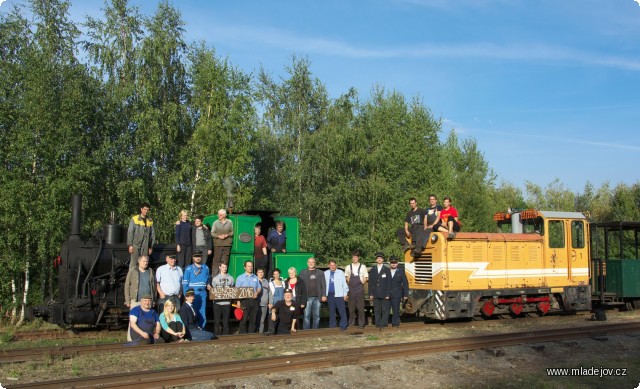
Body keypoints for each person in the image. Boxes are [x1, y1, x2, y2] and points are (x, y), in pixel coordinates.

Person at [182, 251, 211, 329]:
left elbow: (208, 279)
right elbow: (185, 283)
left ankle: (202, 330)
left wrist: (208, 284)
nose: (198, 258)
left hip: (202, 293)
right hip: (193, 294)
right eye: (196, 256)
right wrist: (186, 295)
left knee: (202, 313)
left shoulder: (205, 267)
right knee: (193, 313)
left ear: (201, 257)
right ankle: (194, 330)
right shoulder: (189, 268)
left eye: (199, 256)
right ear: (193, 258)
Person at [299, 257, 326, 330]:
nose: (311, 263)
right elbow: (300, 286)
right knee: (306, 315)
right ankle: (306, 331)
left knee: (316, 316)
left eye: (312, 262)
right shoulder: (303, 272)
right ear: (307, 263)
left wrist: (323, 295)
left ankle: (315, 330)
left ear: (315, 263)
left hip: (317, 297)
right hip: (307, 297)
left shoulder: (320, 273)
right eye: (309, 262)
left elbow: (323, 285)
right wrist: (301, 296)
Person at [235, 260, 262, 334]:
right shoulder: (240, 278)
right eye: (248, 266)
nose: (250, 267)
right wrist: (238, 301)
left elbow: (259, 287)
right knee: (244, 319)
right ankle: (243, 335)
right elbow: (237, 291)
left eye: (251, 266)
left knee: (253, 319)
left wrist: (257, 292)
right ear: (245, 267)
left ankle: (251, 334)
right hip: (244, 300)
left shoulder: (256, 278)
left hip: (254, 300)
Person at [127, 203, 155, 270]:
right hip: (135, 245)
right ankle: (131, 279)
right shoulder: (134, 219)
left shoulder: (150, 220)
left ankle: (142, 279)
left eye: (147, 210)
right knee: (134, 263)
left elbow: (152, 234)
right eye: (145, 209)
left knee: (144, 263)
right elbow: (130, 232)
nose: (146, 211)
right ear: (141, 209)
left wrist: (150, 246)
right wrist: (130, 245)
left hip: (145, 246)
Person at [344, 250, 368, 329]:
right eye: (353, 257)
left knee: (360, 308)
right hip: (351, 290)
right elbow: (347, 277)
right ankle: (351, 324)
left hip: (360, 289)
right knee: (351, 308)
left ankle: (361, 324)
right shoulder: (348, 267)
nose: (354, 258)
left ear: (358, 258)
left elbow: (366, 277)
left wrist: (362, 282)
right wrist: (350, 282)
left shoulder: (363, 267)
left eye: (356, 257)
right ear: (352, 258)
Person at [369, 252, 391, 328]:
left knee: (385, 310)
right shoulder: (372, 270)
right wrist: (370, 294)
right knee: (377, 310)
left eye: (380, 258)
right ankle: (378, 324)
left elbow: (389, 283)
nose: (379, 259)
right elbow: (370, 283)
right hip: (375, 293)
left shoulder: (387, 270)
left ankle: (384, 323)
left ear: (383, 260)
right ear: (376, 259)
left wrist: (388, 294)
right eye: (378, 258)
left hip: (384, 293)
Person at [210, 262, 234, 335]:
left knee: (225, 321)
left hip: (226, 303)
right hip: (217, 303)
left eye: (225, 267)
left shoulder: (231, 278)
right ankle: (216, 335)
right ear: (220, 267)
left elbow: (232, 289)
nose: (224, 269)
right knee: (216, 321)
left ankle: (225, 336)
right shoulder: (215, 278)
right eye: (223, 267)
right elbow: (213, 290)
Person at [324, 260, 349, 330]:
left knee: (342, 311)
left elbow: (344, 284)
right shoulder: (325, 273)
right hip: (330, 295)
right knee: (332, 312)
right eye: (331, 265)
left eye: (334, 265)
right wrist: (324, 295)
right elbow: (323, 285)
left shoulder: (340, 273)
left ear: (336, 265)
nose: (332, 266)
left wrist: (345, 294)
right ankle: (332, 327)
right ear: (329, 265)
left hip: (339, 295)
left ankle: (343, 326)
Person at [389, 256, 409, 328]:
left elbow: (405, 283)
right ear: (390, 264)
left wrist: (405, 294)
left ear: (397, 264)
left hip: (397, 294)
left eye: (395, 263)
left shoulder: (401, 272)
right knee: (385, 310)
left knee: (396, 310)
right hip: (387, 294)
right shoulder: (387, 271)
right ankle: (385, 323)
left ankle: (395, 324)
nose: (393, 264)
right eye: (392, 263)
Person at [211, 209, 233, 274]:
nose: (218, 216)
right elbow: (212, 233)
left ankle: (223, 277)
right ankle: (214, 278)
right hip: (218, 245)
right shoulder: (215, 222)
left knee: (225, 262)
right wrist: (218, 236)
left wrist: (227, 235)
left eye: (220, 215)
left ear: (224, 215)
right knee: (216, 262)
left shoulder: (230, 222)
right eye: (218, 214)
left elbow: (232, 232)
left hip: (227, 245)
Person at [267, 268, 285, 334]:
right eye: (275, 274)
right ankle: (272, 331)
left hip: (282, 302)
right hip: (274, 302)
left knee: (281, 317)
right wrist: (270, 303)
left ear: (279, 274)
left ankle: (279, 331)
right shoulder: (271, 284)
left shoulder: (283, 283)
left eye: (277, 274)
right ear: (273, 275)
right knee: (273, 317)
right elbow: (270, 294)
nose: (276, 275)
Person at [256, 268, 270, 333]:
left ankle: (260, 333)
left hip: (264, 304)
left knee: (262, 320)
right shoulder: (254, 280)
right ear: (257, 273)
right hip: (256, 304)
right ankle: (255, 332)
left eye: (262, 272)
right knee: (255, 320)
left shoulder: (266, 281)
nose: (261, 273)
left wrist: (269, 302)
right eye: (259, 272)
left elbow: (269, 292)